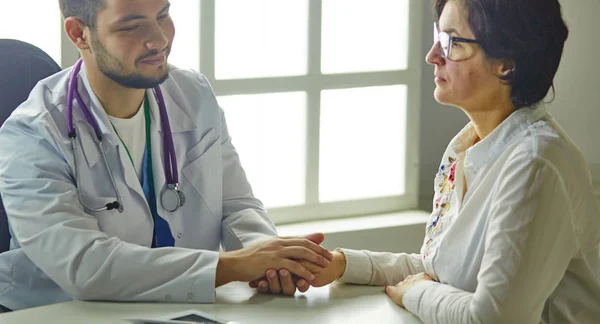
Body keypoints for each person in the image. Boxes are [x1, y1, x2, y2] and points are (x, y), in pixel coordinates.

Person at [258, 0, 600, 323]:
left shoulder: (536, 165)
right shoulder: (466, 146)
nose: (433, 55)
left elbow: (492, 318)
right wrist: (340, 265)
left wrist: (415, 292)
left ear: (507, 63)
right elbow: (440, 269)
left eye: (453, 42)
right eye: (439, 37)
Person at [0, 0, 332, 312]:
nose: (159, 39)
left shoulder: (192, 94)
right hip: (56, 313)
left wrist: (272, 259)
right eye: (131, 26)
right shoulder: (32, 134)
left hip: (175, 308)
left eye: (163, 14)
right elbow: (86, 267)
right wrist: (236, 265)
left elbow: (237, 205)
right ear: (79, 34)